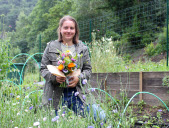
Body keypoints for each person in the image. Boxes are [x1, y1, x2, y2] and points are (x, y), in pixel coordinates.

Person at [40, 15, 105, 121]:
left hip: (78, 93)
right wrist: (54, 78)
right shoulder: (51, 46)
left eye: (71, 28)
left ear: (75, 30)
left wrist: (79, 78)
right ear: (60, 29)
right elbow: (43, 69)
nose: (68, 31)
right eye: (66, 27)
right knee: (53, 124)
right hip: (55, 94)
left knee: (101, 118)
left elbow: (88, 69)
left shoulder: (82, 48)